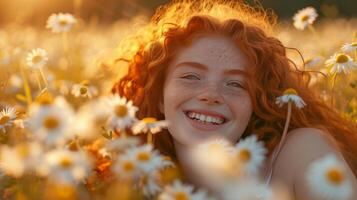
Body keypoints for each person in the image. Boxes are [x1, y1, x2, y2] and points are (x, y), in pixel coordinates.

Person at [112, 0, 357, 198]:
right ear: (159, 98)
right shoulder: (129, 186)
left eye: (235, 83)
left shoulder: (302, 152)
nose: (210, 95)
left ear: (256, 103)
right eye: (190, 76)